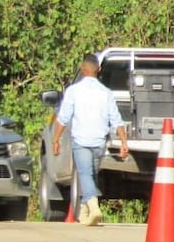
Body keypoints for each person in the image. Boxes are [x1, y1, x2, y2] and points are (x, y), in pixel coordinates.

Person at [52, 53, 130, 226]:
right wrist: (124, 142)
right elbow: (116, 119)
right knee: (91, 175)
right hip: (99, 141)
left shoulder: (73, 91)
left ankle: (93, 207)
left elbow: (63, 118)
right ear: (99, 70)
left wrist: (55, 140)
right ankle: (84, 211)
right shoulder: (106, 93)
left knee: (85, 174)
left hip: (81, 140)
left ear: (82, 69)